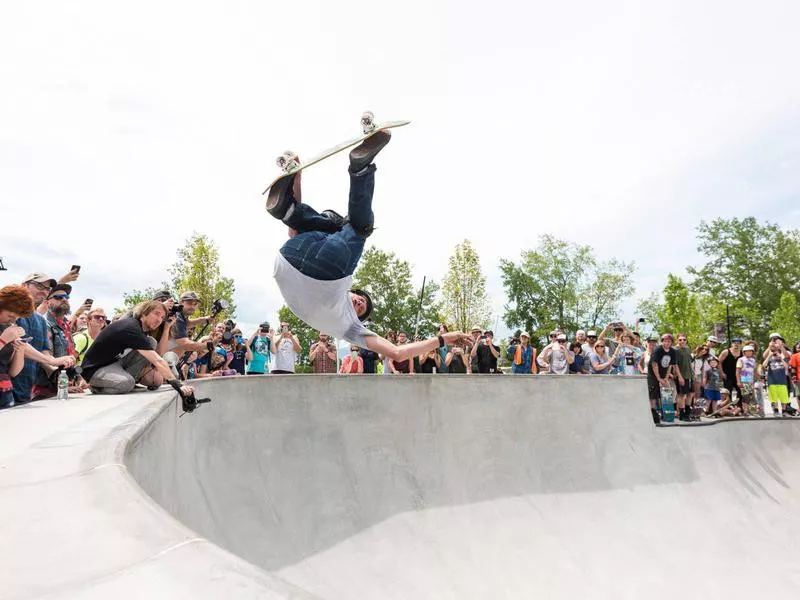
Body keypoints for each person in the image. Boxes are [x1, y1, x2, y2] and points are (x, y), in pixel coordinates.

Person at [267, 131, 472, 365]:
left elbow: (397, 353)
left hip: (299, 261)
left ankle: (360, 170)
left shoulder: (352, 330)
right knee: (335, 224)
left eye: (360, 310)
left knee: (359, 227)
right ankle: (290, 209)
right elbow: (295, 232)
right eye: (361, 300)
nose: (359, 304)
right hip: (295, 254)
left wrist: (444, 338)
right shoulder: (341, 293)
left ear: (360, 321)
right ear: (353, 291)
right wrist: (296, 175)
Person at [81, 301, 192, 396]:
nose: (159, 320)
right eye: (156, 314)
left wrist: (167, 327)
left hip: (113, 363)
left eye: (162, 317)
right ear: (143, 314)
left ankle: (127, 381)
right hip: (94, 370)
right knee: (126, 383)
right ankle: (97, 387)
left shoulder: (139, 329)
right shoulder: (132, 328)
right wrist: (178, 385)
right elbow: (157, 360)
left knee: (151, 342)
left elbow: (158, 354)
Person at [763, 336, 795, 416]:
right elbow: (764, 365)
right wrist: (770, 355)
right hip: (772, 381)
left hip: (782, 381)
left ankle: (784, 411)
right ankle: (776, 410)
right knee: (774, 397)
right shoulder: (770, 357)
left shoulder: (783, 356)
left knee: (784, 396)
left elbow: (787, 367)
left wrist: (781, 358)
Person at [649, 334, 678, 421]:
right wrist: (659, 379)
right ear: (662, 342)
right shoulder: (658, 350)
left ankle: (666, 413)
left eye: (669, 341)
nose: (667, 343)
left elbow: (670, 365)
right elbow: (654, 365)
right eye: (665, 341)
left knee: (667, 392)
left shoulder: (673, 351)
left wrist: (665, 377)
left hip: (663, 375)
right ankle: (653, 413)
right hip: (653, 374)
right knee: (653, 394)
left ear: (671, 342)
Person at [673, 333, 694, 415]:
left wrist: (693, 373)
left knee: (691, 393)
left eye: (684, 339)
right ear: (677, 340)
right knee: (681, 394)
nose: (682, 341)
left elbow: (689, 362)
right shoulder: (675, 350)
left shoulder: (688, 348)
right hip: (681, 376)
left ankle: (687, 411)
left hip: (689, 375)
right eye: (680, 340)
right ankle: (681, 413)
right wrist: (679, 377)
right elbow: (675, 364)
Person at [736, 344, 760, 416]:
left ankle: (753, 411)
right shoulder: (741, 359)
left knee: (752, 396)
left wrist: (758, 378)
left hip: (751, 381)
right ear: (744, 352)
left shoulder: (753, 360)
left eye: (750, 351)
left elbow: (754, 371)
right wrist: (738, 381)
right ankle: (745, 411)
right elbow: (737, 371)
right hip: (744, 380)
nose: (749, 353)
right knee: (745, 396)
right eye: (747, 351)